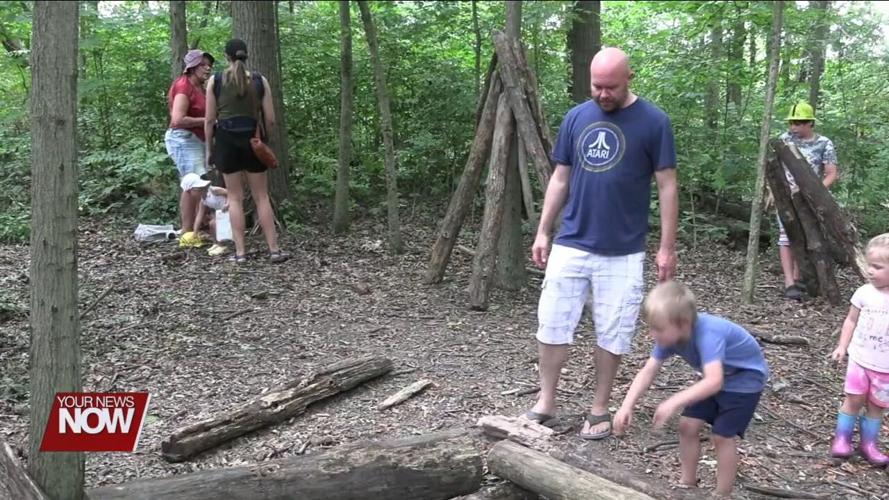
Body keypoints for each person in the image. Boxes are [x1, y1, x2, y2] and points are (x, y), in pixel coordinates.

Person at [523, 47, 678, 441]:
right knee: (553, 323)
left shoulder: (654, 121)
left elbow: (667, 185)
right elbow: (560, 178)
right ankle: (546, 400)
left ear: (630, 78)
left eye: (610, 87)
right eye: (596, 86)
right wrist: (543, 230)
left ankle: (599, 407)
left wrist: (666, 246)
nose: (603, 94)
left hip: (623, 249)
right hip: (572, 241)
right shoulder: (576, 117)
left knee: (614, 331)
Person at [612, 281, 769, 496]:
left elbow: (714, 382)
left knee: (722, 435)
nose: (652, 334)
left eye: (658, 328)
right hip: (716, 377)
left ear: (684, 324)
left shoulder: (709, 334)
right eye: (651, 327)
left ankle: (722, 493)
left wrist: (674, 401)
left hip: (745, 380)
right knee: (687, 425)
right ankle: (687, 483)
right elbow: (648, 371)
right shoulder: (670, 338)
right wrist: (626, 406)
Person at [204, 39, 289, 264]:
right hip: (253, 141)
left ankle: (240, 253)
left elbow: (210, 119)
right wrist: (265, 141)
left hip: (226, 142)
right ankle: (274, 250)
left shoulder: (216, 80)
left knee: (234, 198)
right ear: (246, 56)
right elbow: (270, 120)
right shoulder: (261, 81)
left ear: (226, 57)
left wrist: (209, 149)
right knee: (262, 196)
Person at [828, 233, 889, 466]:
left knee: (877, 406)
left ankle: (869, 444)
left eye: (877, 267)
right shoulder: (864, 293)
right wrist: (842, 347)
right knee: (853, 399)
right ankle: (842, 439)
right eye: (869, 265)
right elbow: (851, 321)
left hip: (885, 366)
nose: (870, 271)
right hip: (860, 359)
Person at [775, 101, 839, 300]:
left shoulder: (824, 143)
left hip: (811, 198)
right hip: (786, 198)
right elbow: (773, 168)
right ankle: (789, 283)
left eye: (799, 122)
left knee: (808, 235)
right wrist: (772, 192)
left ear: (810, 123)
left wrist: (814, 191)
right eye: (792, 122)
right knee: (786, 237)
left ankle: (800, 276)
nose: (794, 126)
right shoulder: (784, 140)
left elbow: (831, 173)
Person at [166, 49, 215, 249]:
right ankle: (188, 233)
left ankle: (194, 228)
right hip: (183, 139)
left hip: (196, 139)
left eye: (209, 64)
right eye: (203, 64)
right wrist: (208, 121)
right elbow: (177, 119)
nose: (208, 68)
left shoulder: (200, 88)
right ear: (192, 66)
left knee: (194, 184)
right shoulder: (183, 86)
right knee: (193, 184)